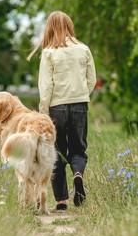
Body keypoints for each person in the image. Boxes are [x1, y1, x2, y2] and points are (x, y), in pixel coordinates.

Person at [27, 11, 96, 211]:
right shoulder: (83, 49)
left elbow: (46, 86)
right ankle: (78, 175)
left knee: (55, 153)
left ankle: (61, 201)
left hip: (56, 107)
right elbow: (91, 79)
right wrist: (81, 95)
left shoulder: (49, 53)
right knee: (78, 150)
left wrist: (43, 111)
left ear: (49, 28)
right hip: (80, 105)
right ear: (69, 26)